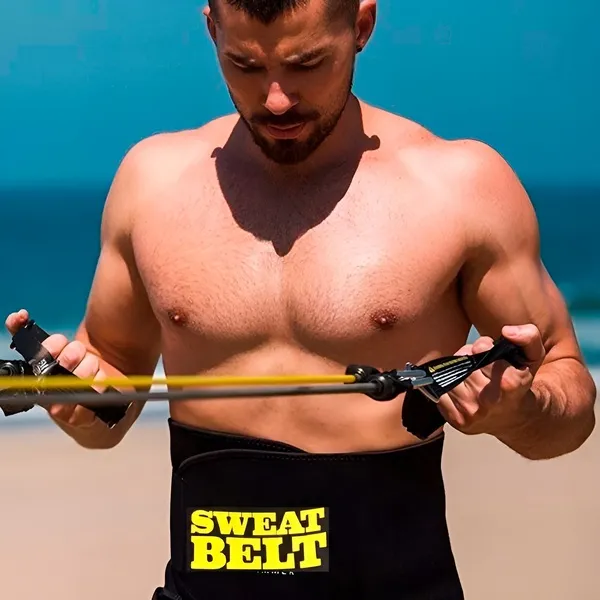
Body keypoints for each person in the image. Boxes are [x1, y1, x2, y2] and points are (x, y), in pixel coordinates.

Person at [5, 0, 596, 598]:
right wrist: (79, 400)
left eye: (306, 64)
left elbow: (570, 399)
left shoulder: (461, 187)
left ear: (361, 26)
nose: (277, 100)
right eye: (245, 65)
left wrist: (524, 412)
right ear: (211, 29)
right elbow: (110, 405)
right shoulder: (151, 182)